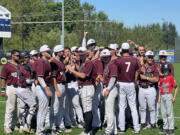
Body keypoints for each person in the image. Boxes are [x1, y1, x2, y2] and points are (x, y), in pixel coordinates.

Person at [67, 47, 95, 135]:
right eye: (80, 55)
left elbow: (83, 76)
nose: (81, 56)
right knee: (86, 109)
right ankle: (89, 129)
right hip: (84, 87)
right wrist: (75, 65)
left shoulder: (89, 62)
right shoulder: (84, 62)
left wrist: (72, 70)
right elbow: (80, 70)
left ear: (86, 54)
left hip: (87, 87)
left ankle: (87, 131)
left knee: (87, 110)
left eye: (82, 55)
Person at [115, 43, 140, 134]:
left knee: (121, 107)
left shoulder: (118, 60)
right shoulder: (134, 60)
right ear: (129, 50)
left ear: (122, 50)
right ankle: (136, 128)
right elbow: (138, 71)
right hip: (131, 83)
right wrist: (135, 80)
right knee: (133, 107)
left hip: (121, 83)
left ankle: (122, 128)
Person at [138, 51, 159, 131]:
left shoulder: (155, 66)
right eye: (149, 57)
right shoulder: (141, 66)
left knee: (152, 108)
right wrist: (139, 74)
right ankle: (143, 123)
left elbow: (156, 79)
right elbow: (137, 75)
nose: (151, 58)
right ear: (145, 58)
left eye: (152, 57)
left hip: (151, 88)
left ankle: (153, 123)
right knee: (142, 108)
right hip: (141, 88)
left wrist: (146, 78)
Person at [16, 52, 37, 133]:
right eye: (27, 57)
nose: (29, 58)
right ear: (24, 58)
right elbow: (28, 81)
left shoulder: (19, 66)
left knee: (22, 108)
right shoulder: (26, 67)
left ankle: (22, 126)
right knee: (33, 105)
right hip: (25, 89)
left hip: (19, 88)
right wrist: (34, 78)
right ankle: (27, 125)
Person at [35, 45, 53, 135]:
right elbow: (40, 77)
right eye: (48, 51)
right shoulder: (41, 61)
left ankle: (40, 129)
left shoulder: (46, 62)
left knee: (44, 109)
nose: (50, 53)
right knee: (42, 110)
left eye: (49, 51)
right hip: (42, 87)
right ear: (42, 53)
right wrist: (47, 89)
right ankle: (39, 131)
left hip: (44, 87)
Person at [1, 49, 20, 134]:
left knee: (18, 108)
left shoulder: (20, 65)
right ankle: (6, 126)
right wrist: (2, 90)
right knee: (10, 108)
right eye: (17, 55)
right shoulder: (7, 66)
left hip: (20, 88)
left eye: (19, 55)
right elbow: (3, 79)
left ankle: (14, 124)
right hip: (11, 87)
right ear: (12, 55)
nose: (18, 57)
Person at [50, 45, 67, 135]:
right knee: (55, 108)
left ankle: (58, 125)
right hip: (58, 86)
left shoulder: (60, 61)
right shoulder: (54, 62)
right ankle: (52, 127)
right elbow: (53, 78)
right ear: (57, 52)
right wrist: (56, 90)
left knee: (61, 107)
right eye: (62, 51)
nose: (63, 52)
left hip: (63, 85)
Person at [101, 49, 118, 135]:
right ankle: (113, 131)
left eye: (107, 57)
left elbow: (113, 78)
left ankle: (108, 132)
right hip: (108, 88)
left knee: (109, 112)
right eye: (103, 57)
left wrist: (108, 89)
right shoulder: (107, 65)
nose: (105, 59)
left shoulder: (112, 65)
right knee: (111, 111)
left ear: (109, 57)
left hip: (111, 89)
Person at [158, 63, 178, 135]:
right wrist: (159, 99)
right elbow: (160, 89)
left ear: (169, 71)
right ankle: (165, 128)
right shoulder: (161, 78)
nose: (166, 71)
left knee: (169, 113)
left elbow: (176, 88)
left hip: (169, 96)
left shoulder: (171, 77)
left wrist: (174, 97)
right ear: (162, 71)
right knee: (163, 113)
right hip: (162, 96)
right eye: (164, 70)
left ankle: (171, 128)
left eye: (167, 70)